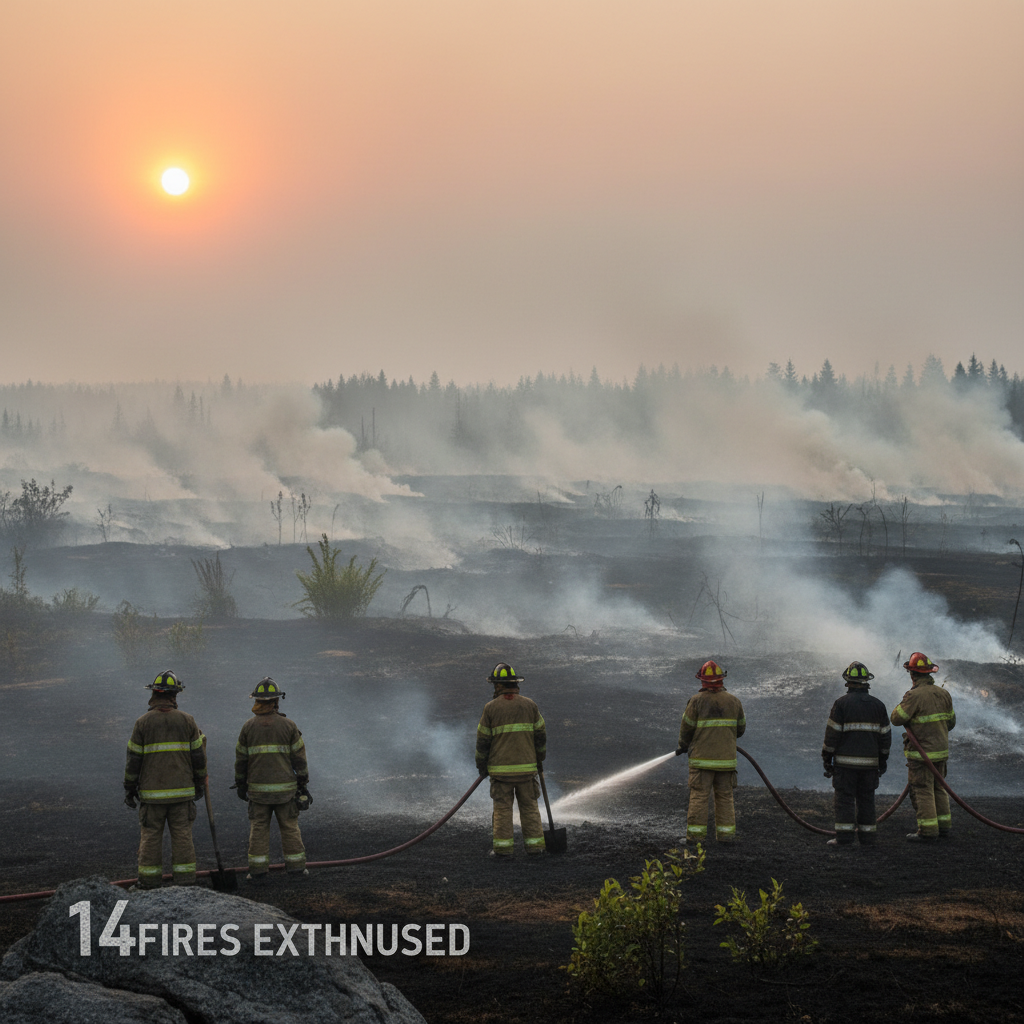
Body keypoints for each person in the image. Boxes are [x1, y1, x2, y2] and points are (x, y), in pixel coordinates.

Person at [123, 670, 207, 889]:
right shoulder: (188, 721)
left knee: (150, 837)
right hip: (182, 793)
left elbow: (133, 760)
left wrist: (129, 788)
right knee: (182, 836)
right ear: (174, 695)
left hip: (152, 796)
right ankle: (186, 882)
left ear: (154, 694)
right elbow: (199, 757)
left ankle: (149, 883)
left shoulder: (142, 723)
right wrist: (199, 783)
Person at [234, 677, 310, 882]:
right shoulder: (288, 725)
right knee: (290, 827)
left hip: (258, 792)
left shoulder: (248, 727)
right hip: (286, 791)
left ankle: (257, 871)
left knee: (258, 828)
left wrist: (241, 783)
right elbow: (299, 759)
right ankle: (296, 868)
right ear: (276, 701)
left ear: (257, 701)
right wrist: (302, 783)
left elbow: (241, 759)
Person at [475, 663, 547, 858]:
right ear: (515, 684)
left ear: (498, 686)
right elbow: (540, 735)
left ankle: (503, 850)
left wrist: (482, 766)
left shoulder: (490, 708)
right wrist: (539, 758)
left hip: (501, 773)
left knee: (502, 810)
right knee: (530, 808)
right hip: (527, 771)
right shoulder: (530, 705)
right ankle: (536, 848)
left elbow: (483, 742)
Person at [821, 661, 891, 848]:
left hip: (845, 766)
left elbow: (832, 736)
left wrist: (827, 758)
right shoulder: (879, 706)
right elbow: (885, 738)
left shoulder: (841, 704)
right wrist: (882, 761)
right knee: (867, 800)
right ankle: (868, 839)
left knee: (844, 800)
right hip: (870, 766)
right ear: (867, 682)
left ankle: (844, 839)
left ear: (848, 682)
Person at [676, 660, 745, 844]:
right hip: (726, 760)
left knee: (699, 796)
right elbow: (740, 729)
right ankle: (726, 837)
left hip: (701, 761)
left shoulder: (696, 701)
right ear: (721, 680)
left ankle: (695, 839)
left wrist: (683, 745)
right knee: (725, 797)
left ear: (702, 681)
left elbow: (686, 728)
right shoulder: (734, 701)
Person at [891, 652, 956, 842]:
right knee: (939, 787)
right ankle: (943, 827)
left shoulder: (913, 696)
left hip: (921, 755)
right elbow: (951, 723)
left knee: (923, 789)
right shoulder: (944, 694)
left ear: (912, 675)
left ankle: (928, 832)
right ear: (929, 673)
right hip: (941, 752)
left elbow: (896, 718)